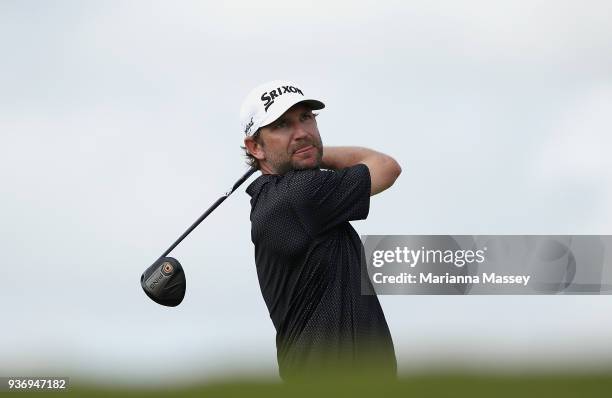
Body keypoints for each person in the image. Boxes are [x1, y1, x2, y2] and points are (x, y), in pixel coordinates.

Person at [240, 80, 401, 381]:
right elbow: (386, 166)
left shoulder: (276, 198)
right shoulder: (300, 195)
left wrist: (298, 151)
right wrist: (313, 151)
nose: (301, 132)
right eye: (282, 125)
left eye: (306, 118)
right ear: (255, 147)